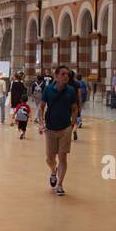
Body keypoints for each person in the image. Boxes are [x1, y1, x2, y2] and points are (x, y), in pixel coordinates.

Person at [37, 66, 79, 196]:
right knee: (50, 158)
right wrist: (41, 123)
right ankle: (53, 170)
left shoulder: (70, 91)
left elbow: (75, 108)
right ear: (56, 76)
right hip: (50, 129)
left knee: (63, 157)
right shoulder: (48, 89)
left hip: (65, 129)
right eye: (63, 74)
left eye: (67, 74)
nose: (66, 76)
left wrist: (72, 124)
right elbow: (41, 107)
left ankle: (60, 185)